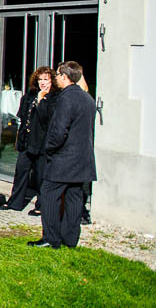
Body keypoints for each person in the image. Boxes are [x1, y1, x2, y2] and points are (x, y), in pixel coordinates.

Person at [29, 61, 97, 249]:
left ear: (65, 77)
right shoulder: (87, 98)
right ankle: (70, 239)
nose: (56, 78)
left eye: (58, 75)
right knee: (75, 196)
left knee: (49, 194)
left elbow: (59, 130)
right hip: (82, 158)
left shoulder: (66, 98)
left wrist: (50, 148)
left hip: (63, 157)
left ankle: (51, 238)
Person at [3, 66, 57, 213]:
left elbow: (47, 118)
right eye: (40, 79)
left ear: (52, 80)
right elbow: (22, 117)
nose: (43, 83)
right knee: (21, 171)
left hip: (42, 142)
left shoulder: (54, 98)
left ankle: (41, 205)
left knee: (41, 175)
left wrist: (42, 100)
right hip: (27, 140)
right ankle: (15, 202)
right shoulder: (29, 95)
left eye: (46, 79)